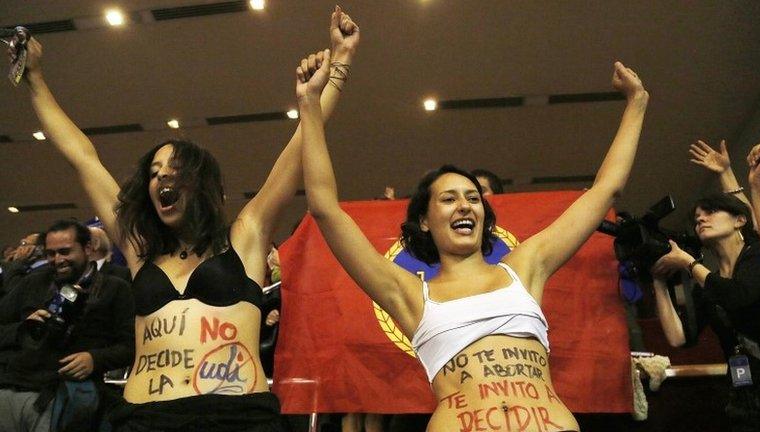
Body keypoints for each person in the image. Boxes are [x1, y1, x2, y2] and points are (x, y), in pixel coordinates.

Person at [14, 6, 359, 431]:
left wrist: (340, 64)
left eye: (173, 172)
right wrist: (35, 79)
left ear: (199, 183)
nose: (161, 179)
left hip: (237, 418)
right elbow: (83, 158)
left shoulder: (244, 238)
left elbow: (297, 151)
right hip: (146, 418)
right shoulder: (140, 249)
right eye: (154, 173)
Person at [297, 46, 648, 431]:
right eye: (448, 199)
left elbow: (605, 191)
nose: (465, 206)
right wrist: (310, 103)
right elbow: (325, 208)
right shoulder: (411, 295)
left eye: (473, 198)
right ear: (425, 221)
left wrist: (636, 103)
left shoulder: (525, 269)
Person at [0, 219, 134, 432]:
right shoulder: (33, 282)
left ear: (88, 248)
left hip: (65, 397)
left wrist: (94, 359)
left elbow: (130, 347)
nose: (57, 260)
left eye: (65, 251)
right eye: (51, 254)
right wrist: (22, 329)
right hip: (11, 389)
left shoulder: (114, 287)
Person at [651, 193, 760, 431]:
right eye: (696, 218)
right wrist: (658, 283)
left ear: (740, 220)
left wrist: (689, 263)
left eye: (711, 212)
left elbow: (737, 294)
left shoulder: (759, 255)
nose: (701, 220)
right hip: (747, 394)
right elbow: (679, 337)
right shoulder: (708, 286)